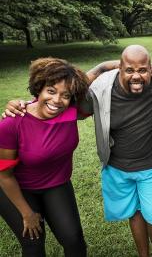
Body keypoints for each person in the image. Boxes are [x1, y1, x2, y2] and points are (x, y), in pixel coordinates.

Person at [4, 46, 152, 257]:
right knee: (134, 214)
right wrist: (24, 104)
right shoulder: (102, 87)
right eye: (129, 69)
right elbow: (62, 96)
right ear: (120, 68)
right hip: (117, 167)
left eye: (143, 69)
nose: (136, 76)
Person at [0, 58, 89, 256]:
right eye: (51, 91)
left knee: (74, 240)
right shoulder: (12, 123)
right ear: (39, 88)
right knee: (34, 243)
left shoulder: (69, 113)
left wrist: (113, 65)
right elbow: (4, 175)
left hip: (56, 183)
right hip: (16, 187)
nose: (57, 100)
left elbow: (92, 77)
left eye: (65, 95)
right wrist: (27, 213)